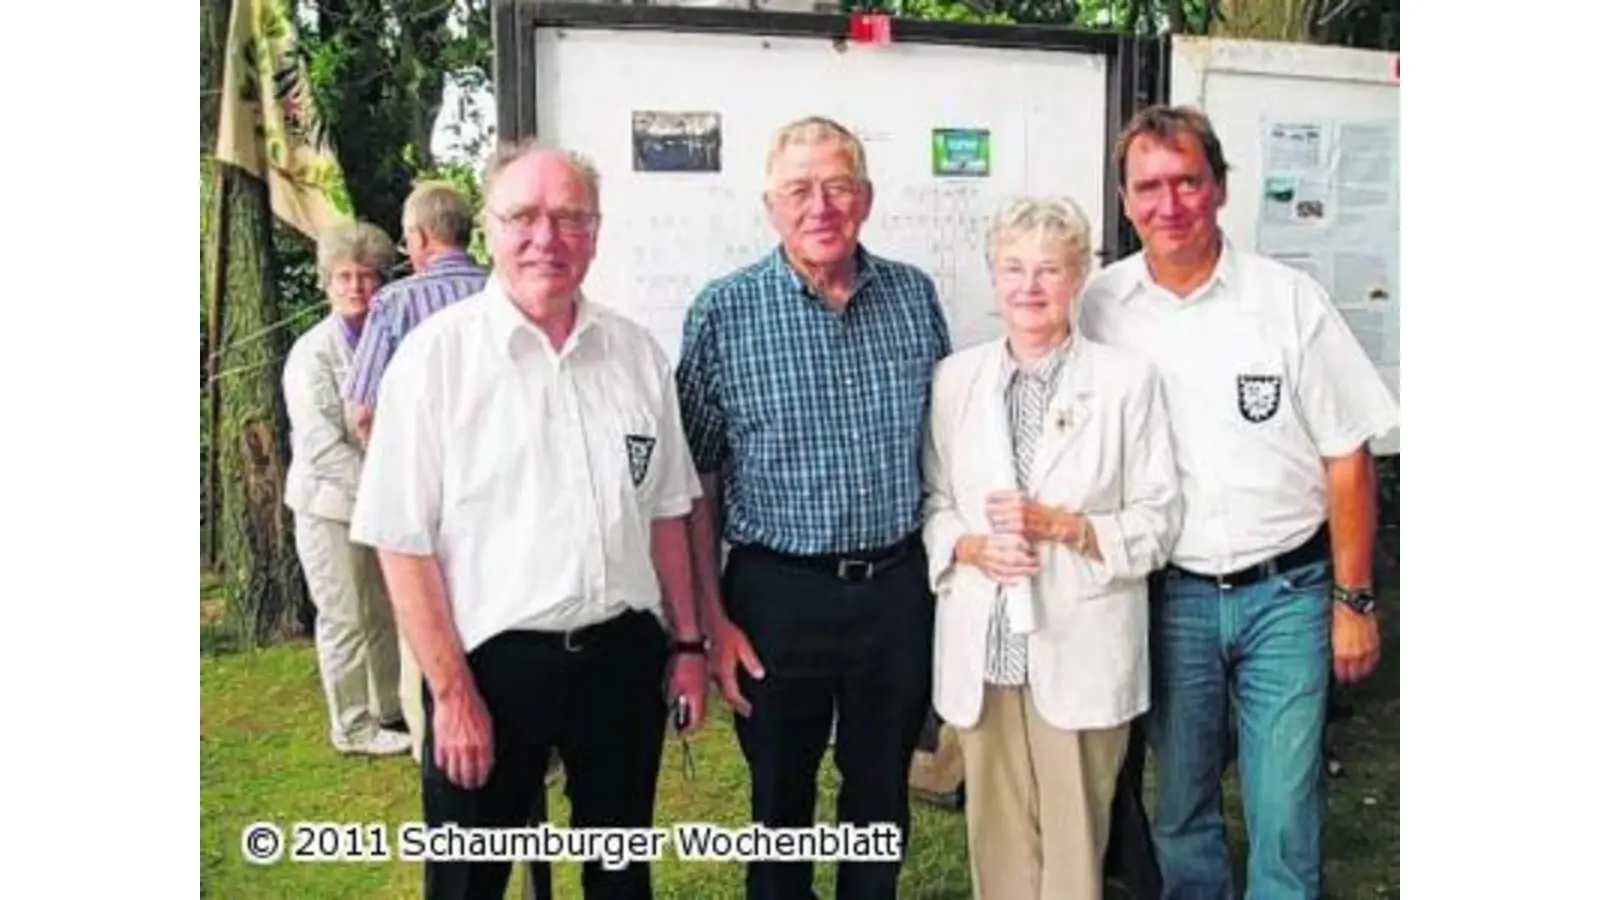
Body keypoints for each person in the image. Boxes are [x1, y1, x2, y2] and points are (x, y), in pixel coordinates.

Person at [349, 139, 709, 900]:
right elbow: (402, 544)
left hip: (620, 658)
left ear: (596, 231)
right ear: (488, 226)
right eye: (524, 216)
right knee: (470, 881)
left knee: (621, 876)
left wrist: (685, 644)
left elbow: (667, 513)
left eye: (569, 217)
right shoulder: (432, 361)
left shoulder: (636, 355)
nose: (547, 237)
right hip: (488, 669)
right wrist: (452, 696)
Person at [1079, 104, 1400, 900]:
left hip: (1287, 594)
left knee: (1284, 808)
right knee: (1182, 804)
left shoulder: (1287, 301)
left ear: (1219, 188)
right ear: (1124, 201)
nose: (1170, 203)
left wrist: (1354, 599)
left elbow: (1347, 456)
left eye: (1188, 180)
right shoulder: (1099, 308)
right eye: (1148, 186)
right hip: (1170, 596)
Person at [675, 115, 951, 900]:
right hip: (774, 598)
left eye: (837, 186)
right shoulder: (722, 313)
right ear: (771, 205)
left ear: (864, 198)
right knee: (779, 805)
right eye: (799, 189)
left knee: (879, 798)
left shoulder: (913, 298)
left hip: (895, 592)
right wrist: (711, 622)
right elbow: (697, 481)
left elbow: (944, 446)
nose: (819, 206)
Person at [921, 196, 1180, 900]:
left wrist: (1071, 528)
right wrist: (969, 546)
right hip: (987, 646)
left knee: (1074, 844)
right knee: (997, 840)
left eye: (1049, 270)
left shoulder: (1126, 383)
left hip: (1080, 640)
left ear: (1078, 279)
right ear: (992, 277)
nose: (1029, 287)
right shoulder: (956, 380)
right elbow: (934, 504)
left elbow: (1160, 518)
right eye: (1013, 268)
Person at [282, 221, 409, 757]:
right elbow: (322, 447)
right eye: (344, 277)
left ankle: (388, 710)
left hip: (378, 502)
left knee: (381, 611)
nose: (356, 287)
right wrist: (380, 492)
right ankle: (352, 727)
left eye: (366, 277)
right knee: (342, 616)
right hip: (329, 506)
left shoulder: (395, 342)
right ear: (326, 283)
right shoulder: (310, 354)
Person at [343, 180, 488, 443]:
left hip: (422, 460)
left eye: (406, 239)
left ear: (419, 237)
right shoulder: (504, 292)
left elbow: (363, 412)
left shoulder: (395, 302)